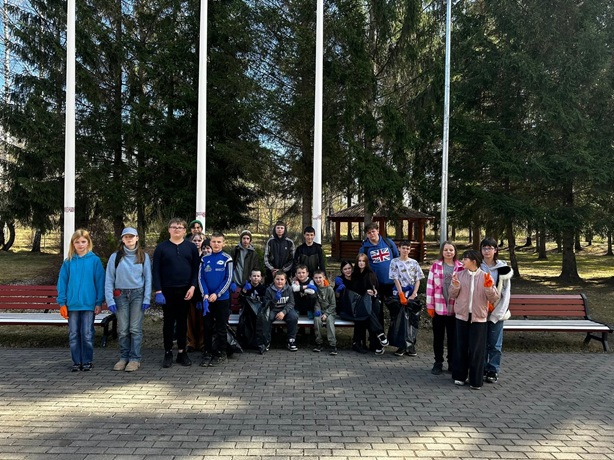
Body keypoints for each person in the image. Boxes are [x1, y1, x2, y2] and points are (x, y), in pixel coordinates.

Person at [152, 218, 200, 368]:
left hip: (185, 291)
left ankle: (181, 352)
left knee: (182, 322)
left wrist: (193, 287)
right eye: (174, 227)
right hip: (167, 291)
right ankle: (168, 353)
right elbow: (156, 270)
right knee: (168, 322)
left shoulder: (191, 248)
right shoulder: (161, 248)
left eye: (180, 227)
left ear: (185, 231)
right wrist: (158, 290)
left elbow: (196, 269)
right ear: (169, 230)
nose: (177, 229)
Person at [449, 249, 499, 390]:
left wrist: (488, 288)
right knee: (461, 347)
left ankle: (475, 380)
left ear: (473, 261)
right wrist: (455, 286)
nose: (462, 261)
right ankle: (459, 376)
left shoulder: (485, 276)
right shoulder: (459, 275)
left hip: (479, 318)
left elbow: (494, 298)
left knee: (477, 350)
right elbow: (452, 294)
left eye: (465, 259)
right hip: (462, 317)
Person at [56, 229, 105, 372]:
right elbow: (62, 282)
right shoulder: (68, 262)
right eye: (77, 242)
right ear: (73, 244)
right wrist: (62, 303)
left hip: (89, 305)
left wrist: (99, 302)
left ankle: (87, 361)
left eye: (83, 241)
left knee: (87, 333)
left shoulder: (95, 261)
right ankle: (77, 362)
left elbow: (100, 282)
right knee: (73, 334)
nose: (80, 244)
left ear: (88, 243)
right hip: (72, 305)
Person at [105, 227, 152, 372]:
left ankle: (134, 359)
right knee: (123, 329)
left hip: (138, 294)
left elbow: (148, 278)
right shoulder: (115, 257)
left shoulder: (143, 256)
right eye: (126, 237)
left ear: (137, 238)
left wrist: (147, 298)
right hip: (121, 295)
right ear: (122, 239)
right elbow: (109, 278)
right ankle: (123, 357)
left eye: (132, 236)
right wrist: (110, 299)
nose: (129, 239)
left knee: (135, 329)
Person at [425, 241, 464, 375]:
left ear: (455, 252)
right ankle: (438, 362)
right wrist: (430, 305)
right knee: (438, 337)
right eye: (446, 250)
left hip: (455, 309)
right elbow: (430, 286)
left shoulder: (461, 267)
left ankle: (452, 362)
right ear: (442, 251)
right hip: (439, 308)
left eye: (451, 250)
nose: (448, 252)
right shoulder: (436, 266)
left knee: (453, 338)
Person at [480, 237, 513, 384]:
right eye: (484, 248)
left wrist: (497, 314)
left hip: (497, 311)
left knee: (494, 344)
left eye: (490, 248)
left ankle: (493, 369)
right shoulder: (477, 266)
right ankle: (481, 368)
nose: (487, 251)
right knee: (481, 343)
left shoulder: (503, 269)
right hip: (480, 311)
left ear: (495, 250)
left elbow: (506, 293)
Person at [198, 231, 233, 367]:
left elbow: (228, 279)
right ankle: (207, 352)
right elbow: (201, 278)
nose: (216, 244)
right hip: (207, 300)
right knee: (207, 327)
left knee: (221, 327)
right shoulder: (204, 259)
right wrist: (205, 294)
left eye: (219, 242)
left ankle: (221, 353)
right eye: (214, 241)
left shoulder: (227, 259)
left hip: (222, 299)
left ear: (223, 243)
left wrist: (217, 294)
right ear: (210, 243)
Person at [344, 253, 388, 354]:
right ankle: (380, 335)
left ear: (366, 262)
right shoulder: (355, 275)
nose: (361, 263)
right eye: (359, 261)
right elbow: (354, 290)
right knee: (367, 315)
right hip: (359, 304)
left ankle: (376, 343)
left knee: (370, 315)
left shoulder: (370, 274)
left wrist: (373, 292)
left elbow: (375, 288)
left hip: (372, 301)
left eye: (363, 261)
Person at [388, 240, 425, 357]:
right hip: (400, 293)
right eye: (403, 248)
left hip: (411, 294)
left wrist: (414, 294)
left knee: (412, 320)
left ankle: (411, 345)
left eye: (408, 248)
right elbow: (395, 278)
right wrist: (401, 294)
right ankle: (401, 345)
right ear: (399, 249)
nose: (405, 250)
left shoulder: (414, 263)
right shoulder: (394, 262)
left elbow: (418, 279)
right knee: (400, 320)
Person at [358, 223, 399, 323]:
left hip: (392, 283)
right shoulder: (365, 248)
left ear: (378, 231)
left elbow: (397, 258)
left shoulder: (388, 242)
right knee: (377, 311)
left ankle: (395, 331)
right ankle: (379, 332)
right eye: (369, 233)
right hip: (376, 284)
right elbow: (361, 265)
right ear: (366, 235)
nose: (372, 234)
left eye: (373, 231)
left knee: (395, 309)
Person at [256, 271, 298, 354]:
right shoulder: (269, 290)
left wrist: (283, 312)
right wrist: (275, 300)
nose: (280, 281)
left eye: (282, 279)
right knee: (267, 318)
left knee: (293, 317)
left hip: (285, 310)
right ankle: (266, 341)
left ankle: (291, 340)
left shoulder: (289, 288)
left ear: (285, 280)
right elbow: (267, 305)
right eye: (277, 279)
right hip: (273, 309)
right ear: (274, 280)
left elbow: (291, 303)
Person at [186, 232, 206, 353]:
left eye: (199, 240)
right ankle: (191, 342)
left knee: (202, 319)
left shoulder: (206, 256)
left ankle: (202, 342)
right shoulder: (188, 255)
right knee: (191, 319)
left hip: (203, 292)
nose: (197, 243)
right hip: (190, 290)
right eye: (195, 241)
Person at [312, 270, 337, 355]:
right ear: (313, 278)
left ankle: (333, 345)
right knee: (317, 320)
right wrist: (318, 312)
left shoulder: (329, 289)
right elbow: (316, 303)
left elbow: (333, 305)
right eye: (316, 278)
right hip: (320, 311)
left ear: (324, 278)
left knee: (329, 321)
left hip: (330, 312)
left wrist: (326, 314)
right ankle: (319, 343)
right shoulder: (315, 289)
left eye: (320, 277)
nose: (318, 280)